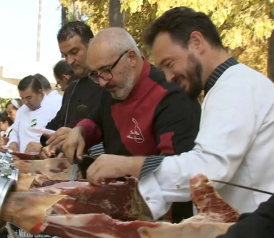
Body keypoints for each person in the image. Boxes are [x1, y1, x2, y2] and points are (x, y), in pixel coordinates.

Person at [80, 7, 274, 221]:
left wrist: (127, 165)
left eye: (170, 64)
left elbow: (207, 171)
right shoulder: (225, 87)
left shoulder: (236, 87)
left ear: (197, 42)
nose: (169, 77)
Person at [60, 27, 201, 222]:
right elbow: (97, 119)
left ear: (132, 58)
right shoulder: (112, 88)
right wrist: (80, 130)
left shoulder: (171, 95)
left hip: (164, 220)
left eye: (106, 71)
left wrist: (123, 165)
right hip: (120, 212)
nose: (101, 82)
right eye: (96, 74)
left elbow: (180, 170)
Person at [43, 21, 106, 158]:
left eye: (74, 52)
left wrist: (81, 145)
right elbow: (60, 125)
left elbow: (117, 138)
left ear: (92, 44)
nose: (70, 61)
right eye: (65, 55)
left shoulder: (110, 84)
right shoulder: (72, 88)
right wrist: (48, 144)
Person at [6, 76, 59, 153]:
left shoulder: (55, 107)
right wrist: (13, 143)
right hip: (23, 160)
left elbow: (60, 138)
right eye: (22, 98)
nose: (25, 102)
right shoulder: (21, 111)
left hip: (46, 161)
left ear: (40, 92)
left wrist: (41, 146)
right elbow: (15, 132)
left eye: (29, 97)